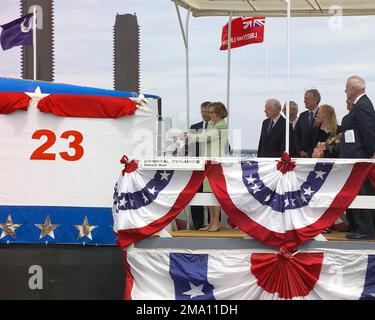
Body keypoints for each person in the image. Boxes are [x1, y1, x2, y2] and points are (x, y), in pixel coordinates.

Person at [340, 76, 375, 240]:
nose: (345, 91)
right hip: (356, 158)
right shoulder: (360, 105)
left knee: (363, 192)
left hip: (361, 159)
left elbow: (368, 132)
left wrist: (371, 154)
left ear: (353, 89)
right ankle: (359, 225)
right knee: (357, 191)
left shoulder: (362, 106)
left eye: (347, 88)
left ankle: (366, 229)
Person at [187, 102, 229, 232]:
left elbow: (205, 137)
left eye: (211, 112)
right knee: (208, 193)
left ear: (219, 113)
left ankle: (216, 222)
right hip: (207, 162)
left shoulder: (222, 125)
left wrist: (188, 136)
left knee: (214, 194)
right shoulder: (212, 124)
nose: (208, 114)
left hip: (215, 163)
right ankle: (211, 222)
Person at [186, 101, 211, 230]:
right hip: (196, 166)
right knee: (195, 194)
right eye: (202, 112)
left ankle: (214, 223)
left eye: (206, 112)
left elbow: (226, 147)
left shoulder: (217, 127)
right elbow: (188, 147)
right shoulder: (194, 126)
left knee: (212, 195)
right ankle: (197, 223)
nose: (204, 114)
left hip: (212, 167)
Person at [294, 89, 321, 157]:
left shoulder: (323, 115)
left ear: (315, 100)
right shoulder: (302, 116)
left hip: (317, 156)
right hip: (302, 156)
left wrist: (311, 153)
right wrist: (300, 151)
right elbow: (296, 135)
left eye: (307, 99)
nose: (304, 101)